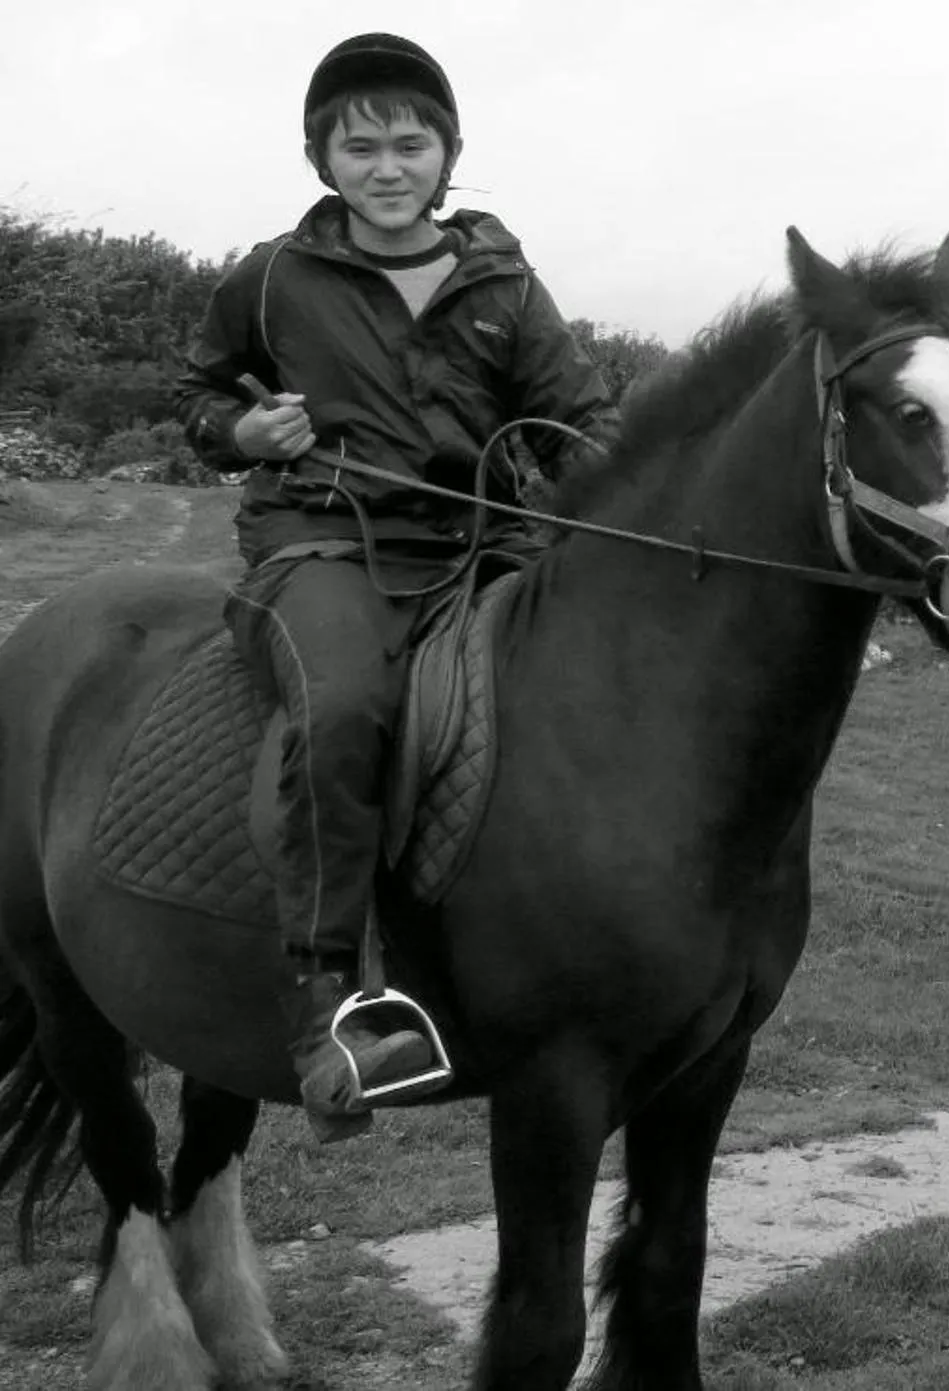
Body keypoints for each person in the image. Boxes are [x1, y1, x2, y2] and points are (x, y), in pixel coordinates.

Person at [174, 33, 619, 1139]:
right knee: (343, 710)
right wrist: (243, 432)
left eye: (410, 145)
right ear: (321, 160)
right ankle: (328, 1010)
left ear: (447, 154)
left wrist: (625, 505)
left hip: (484, 549)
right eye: (359, 147)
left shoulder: (503, 283)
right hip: (322, 544)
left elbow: (580, 423)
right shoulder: (270, 276)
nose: (387, 167)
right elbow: (198, 397)